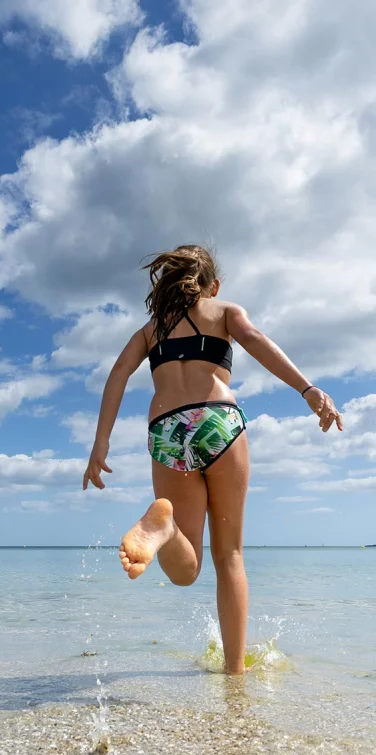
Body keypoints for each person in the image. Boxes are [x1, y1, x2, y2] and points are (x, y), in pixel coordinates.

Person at [82, 245, 343, 675]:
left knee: (185, 572)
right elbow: (255, 340)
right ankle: (235, 672)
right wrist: (307, 389)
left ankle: (166, 529)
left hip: (167, 430)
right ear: (213, 285)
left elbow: (118, 374)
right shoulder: (224, 311)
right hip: (218, 421)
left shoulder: (150, 330)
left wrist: (100, 443)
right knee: (230, 556)